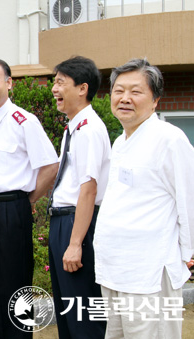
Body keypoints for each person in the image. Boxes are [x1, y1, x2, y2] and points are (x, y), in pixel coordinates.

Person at [94, 58, 194, 338]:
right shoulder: (121, 141)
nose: (125, 98)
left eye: (136, 91)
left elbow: (190, 200)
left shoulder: (169, 140)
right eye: (119, 90)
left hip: (148, 272)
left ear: (155, 100)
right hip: (115, 269)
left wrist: (185, 255)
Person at [0, 57, 59, 338]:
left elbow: (50, 165)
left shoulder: (24, 121)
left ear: (9, 83)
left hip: (11, 210)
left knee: (12, 288)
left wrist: (28, 200)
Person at [47, 56, 109, 339]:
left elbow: (89, 188)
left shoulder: (90, 129)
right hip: (65, 222)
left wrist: (75, 243)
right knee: (68, 312)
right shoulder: (74, 127)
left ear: (82, 88)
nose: (54, 89)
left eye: (60, 82)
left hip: (78, 225)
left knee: (83, 313)